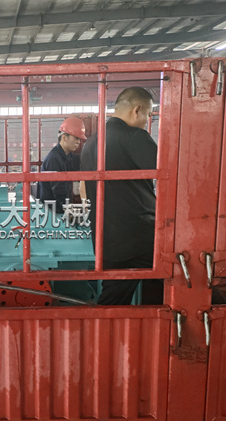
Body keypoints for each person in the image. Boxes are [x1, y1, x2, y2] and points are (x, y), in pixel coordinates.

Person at [81, 87, 157, 305]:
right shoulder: (135, 137)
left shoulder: (91, 143)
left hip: (106, 239)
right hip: (141, 239)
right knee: (179, 279)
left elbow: (85, 189)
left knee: (113, 300)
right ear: (137, 110)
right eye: (148, 115)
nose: (146, 121)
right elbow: (172, 177)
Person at [37, 116, 86, 214]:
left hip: (58, 209)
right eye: (76, 138)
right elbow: (58, 189)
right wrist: (67, 208)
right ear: (64, 137)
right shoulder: (54, 159)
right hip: (51, 212)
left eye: (80, 139)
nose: (78, 142)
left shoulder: (67, 156)